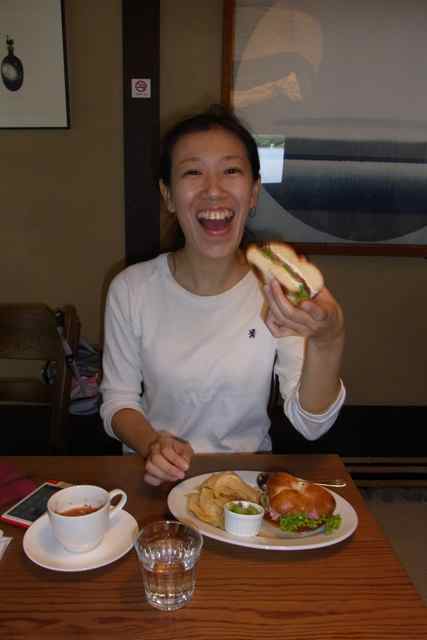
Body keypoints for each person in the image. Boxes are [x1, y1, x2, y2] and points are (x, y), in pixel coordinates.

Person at [100, 105, 345, 486]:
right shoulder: (131, 289)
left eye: (231, 171)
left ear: (253, 192)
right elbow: (118, 401)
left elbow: (311, 424)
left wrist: (329, 339)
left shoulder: (276, 290)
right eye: (192, 172)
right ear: (167, 195)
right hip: (155, 480)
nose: (213, 190)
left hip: (243, 485)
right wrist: (152, 444)